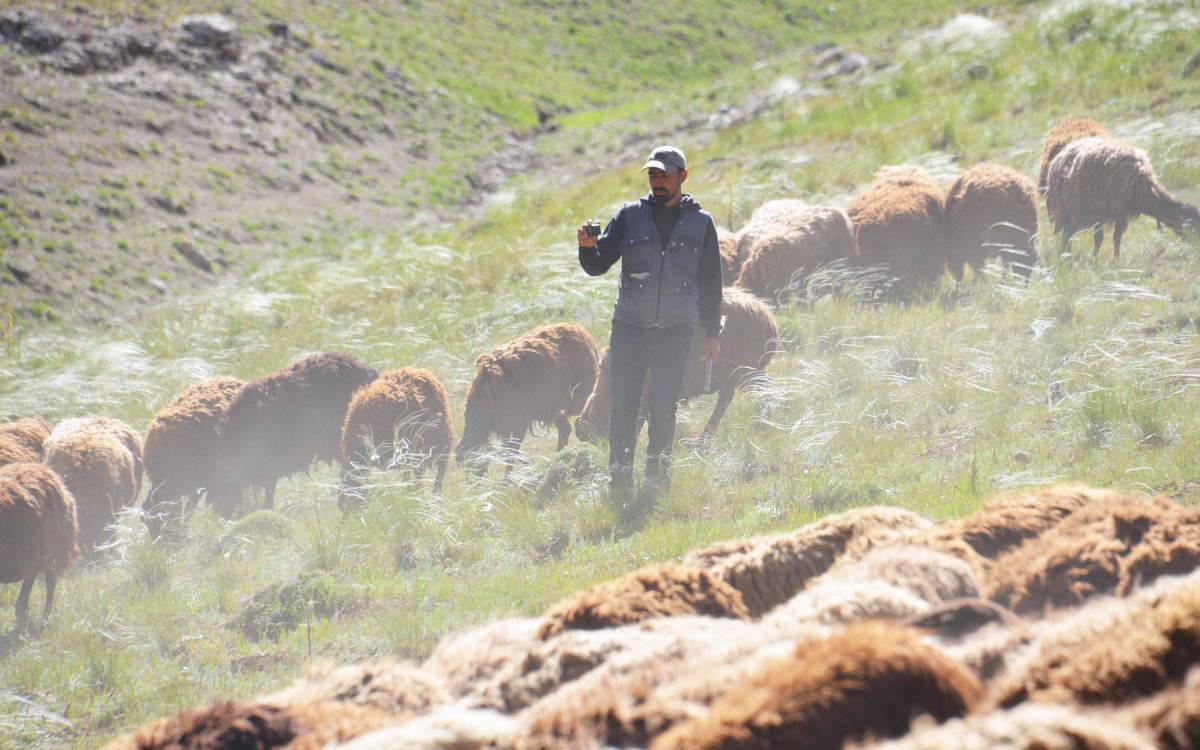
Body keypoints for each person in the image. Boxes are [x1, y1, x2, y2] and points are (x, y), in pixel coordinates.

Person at [577, 145, 722, 500]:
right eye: (653, 175)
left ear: (682, 177)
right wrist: (586, 246)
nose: (658, 182)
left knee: (662, 407)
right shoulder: (629, 216)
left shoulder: (702, 224)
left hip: (675, 332)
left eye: (665, 175)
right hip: (630, 329)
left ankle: (657, 482)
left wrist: (712, 333)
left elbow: (710, 282)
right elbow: (598, 265)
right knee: (624, 406)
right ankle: (619, 483)